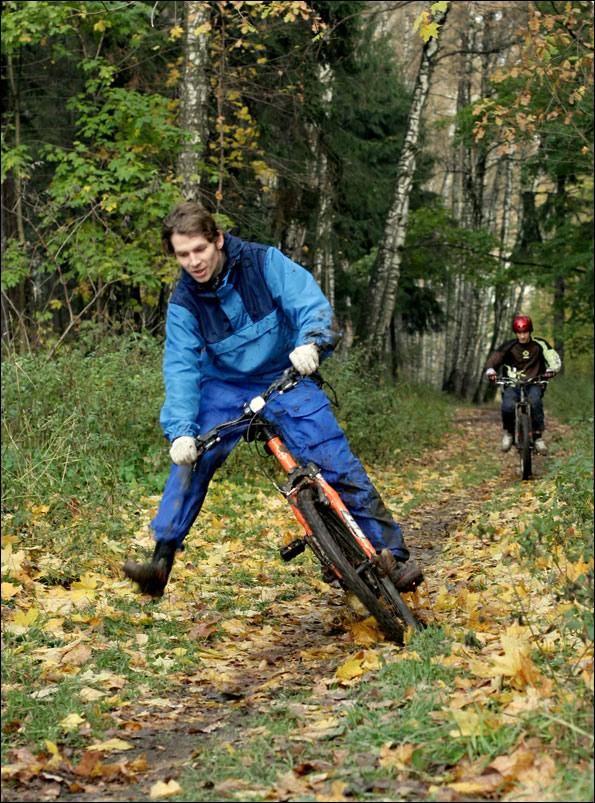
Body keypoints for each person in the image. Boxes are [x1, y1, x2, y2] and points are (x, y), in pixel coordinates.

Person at [123, 201, 423, 598]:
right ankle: (161, 562)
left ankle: (392, 556)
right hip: (225, 387)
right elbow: (180, 367)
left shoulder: (263, 262)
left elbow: (307, 301)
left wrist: (313, 343)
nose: (193, 261)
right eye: (183, 255)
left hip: (285, 374)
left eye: (200, 249)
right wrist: (180, 431)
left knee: (333, 457)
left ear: (217, 239)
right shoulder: (184, 302)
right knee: (191, 457)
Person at [485, 314, 561, 454]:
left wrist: (552, 369)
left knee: (534, 401)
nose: (522, 336)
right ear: (516, 333)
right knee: (508, 405)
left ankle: (538, 437)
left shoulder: (540, 344)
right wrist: (490, 370)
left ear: (530, 331)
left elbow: (553, 358)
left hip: (535, 382)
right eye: (519, 333)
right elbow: (494, 359)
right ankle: (509, 433)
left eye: (525, 332)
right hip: (513, 382)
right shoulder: (509, 346)